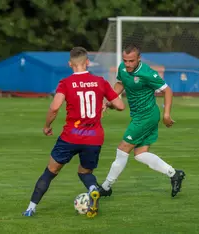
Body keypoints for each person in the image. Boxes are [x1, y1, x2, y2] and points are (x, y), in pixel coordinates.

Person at [22, 47, 125, 218]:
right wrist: (107, 104)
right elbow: (121, 105)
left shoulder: (66, 83)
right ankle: (93, 189)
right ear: (88, 62)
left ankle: (31, 208)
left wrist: (47, 125)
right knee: (85, 172)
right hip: (94, 138)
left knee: (50, 172)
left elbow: (54, 107)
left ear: (70, 64)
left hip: (70, 136)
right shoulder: (100, 81)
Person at [99, 44, 186, 198]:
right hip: (139, 116)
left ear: (139, 58)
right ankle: (174, 174)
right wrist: (109, 100)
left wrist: (166, 114)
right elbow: (120, 83)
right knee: (140, 154)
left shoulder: (147, 73)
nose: (128, 64)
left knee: (123, 149)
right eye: (125, 60)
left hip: (147, 116)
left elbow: (167, 90)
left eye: (131, 61)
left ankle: (106, 186)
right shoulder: (123, 68)